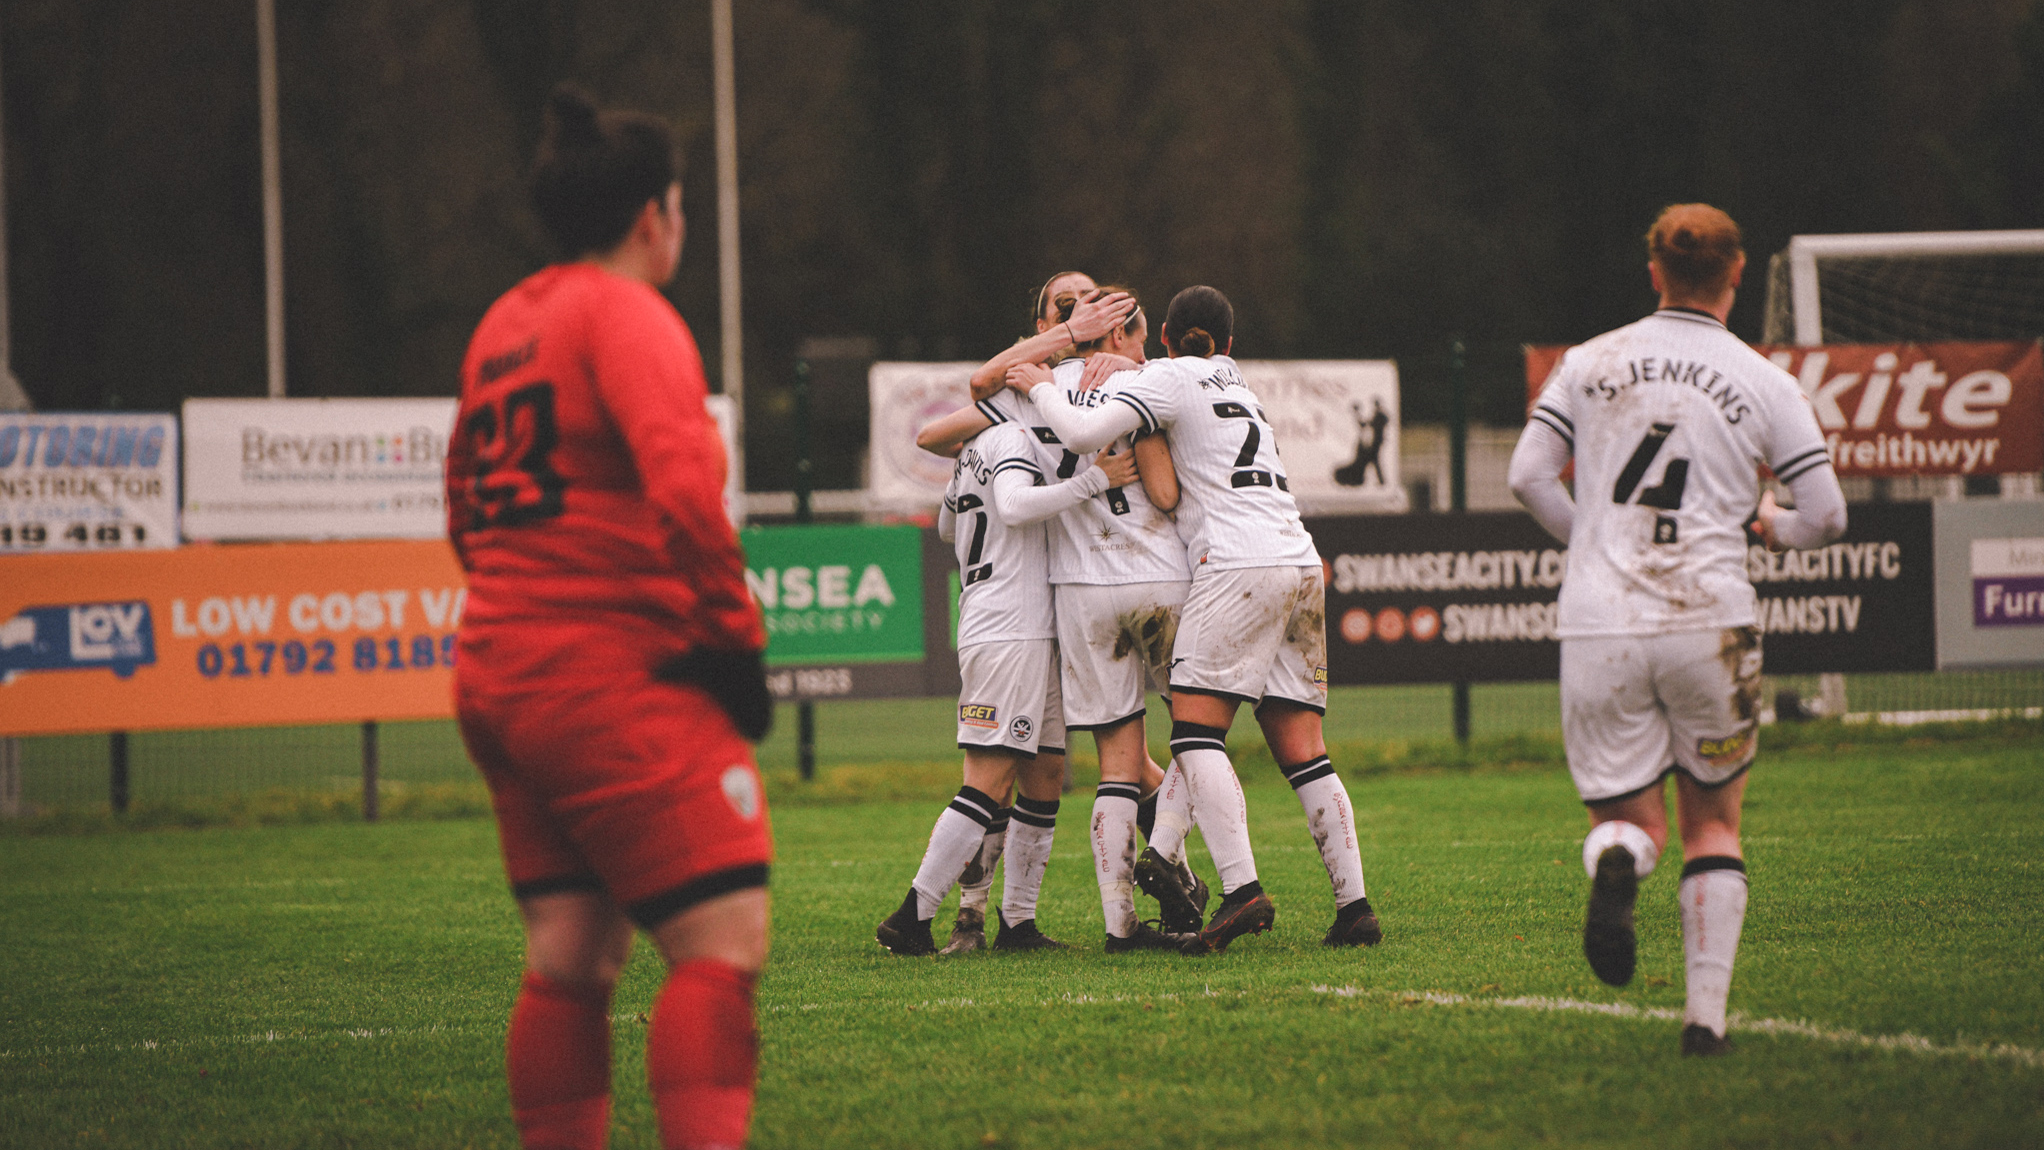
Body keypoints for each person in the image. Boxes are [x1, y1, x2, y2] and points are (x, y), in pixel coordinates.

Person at [446, 87, 772, 1150]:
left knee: (572, 952)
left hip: (499, 665)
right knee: (721, 940)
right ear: (654, 215)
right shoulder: (629, 313)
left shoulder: (505, 318)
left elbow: (461, 502)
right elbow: (683, 487)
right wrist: (733, 639)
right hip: (603, 666)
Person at [1507, 203, 1847, 1056]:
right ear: (1738, 274)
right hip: (1710, 617)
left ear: (1653, 270)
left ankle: (1620, 858)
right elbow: (1828, 514)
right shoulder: (1765, 379)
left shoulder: (1588, 362)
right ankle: (1705, 1020)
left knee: (1632, 820)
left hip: (1600, 621)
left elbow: (1526, 477)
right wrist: (1769, 524)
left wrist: (1591, 538)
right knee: (1713, 826)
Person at [1010, 285, 1384, 956]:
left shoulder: (1164, 378)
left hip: (1235, 564)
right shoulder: (1240, 382)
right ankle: (1353, 906)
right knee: (1304, 749)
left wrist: (1041, 383)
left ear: (1162, 340)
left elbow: (1084, 432)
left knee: (1193, 732)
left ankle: (1240, 890)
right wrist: (1130, 372)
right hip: (1299, 560)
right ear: (1230, 345)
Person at [873, 403, 1142, 954]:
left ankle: (1018, 923)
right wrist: (1096, 479)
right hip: (1010, 627)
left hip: (1018, 626)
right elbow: (1016, 507)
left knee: (1045, 771)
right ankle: (913, 916)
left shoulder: (976, 449)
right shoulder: (1014, 438)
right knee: (989, 778)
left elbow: (949, 526)